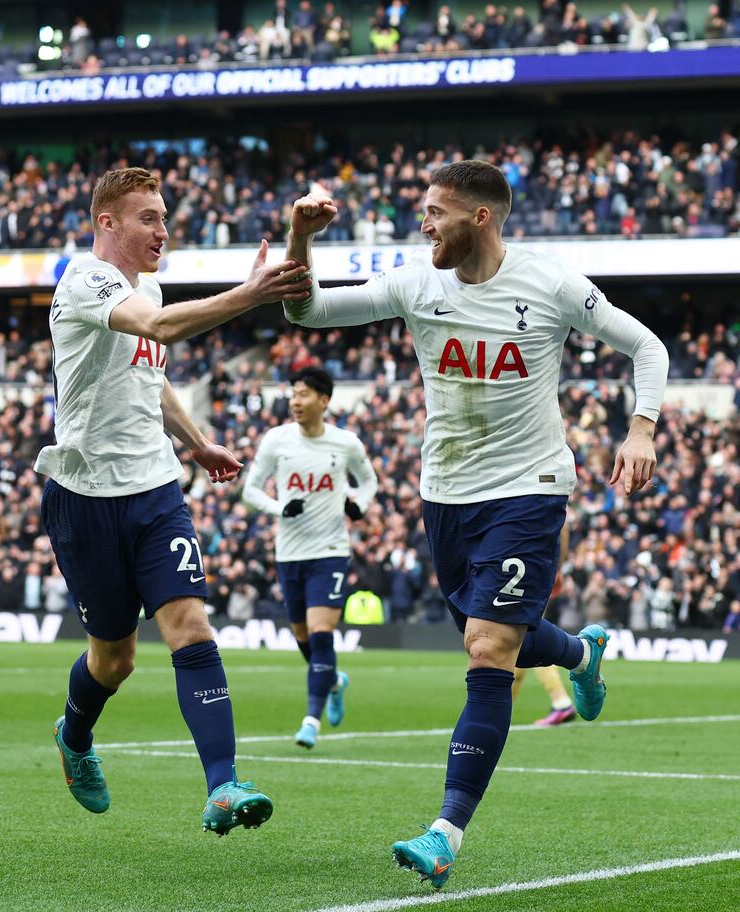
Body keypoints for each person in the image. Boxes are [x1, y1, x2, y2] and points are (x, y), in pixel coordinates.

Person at [281, 160, 668, 888]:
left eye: (435, 211)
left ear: (480, 217)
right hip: (447, 495)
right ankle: (581, 657)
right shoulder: (414, 282)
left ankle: (444, 831)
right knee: (495, 632)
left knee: (487, 647)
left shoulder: (550, 282)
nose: (423, 223)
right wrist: (300, 239)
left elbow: (647, 345)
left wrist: (640, 428)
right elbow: (307, 312)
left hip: (530, 489)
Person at [35, 167, 310, 834]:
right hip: (85, 495)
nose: (164, 230)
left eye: (164, 216)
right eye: (148, 218)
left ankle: (223, 785)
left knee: (189, 625)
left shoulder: (148, 287)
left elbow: (150, 376)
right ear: (107, 223)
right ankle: (74, 737)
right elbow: (159, 326)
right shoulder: (86, 283)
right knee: (115, 658)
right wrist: (248, 295)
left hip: (155, 491)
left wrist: (197, 443)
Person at [242, 366, 378, 749]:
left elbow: (369, 481)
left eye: (303, 394)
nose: (295, 401)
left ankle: (310, 721)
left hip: (330, 551)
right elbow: (251, 491)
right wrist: (280, 508)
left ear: (324, 400)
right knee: (303, 636)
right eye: (293, 393)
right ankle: (334, 681)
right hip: (290, 553)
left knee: (321, 635)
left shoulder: (346, 443)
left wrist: (360, 504)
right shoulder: (276, 440)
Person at [512, 524, 576, 726]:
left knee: (520, 636)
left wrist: (557, 569)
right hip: (537, 567)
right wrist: (558, 568)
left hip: (523, 570)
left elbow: (563, 524)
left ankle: (561, 701)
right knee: (516, 642)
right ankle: (500, 708)